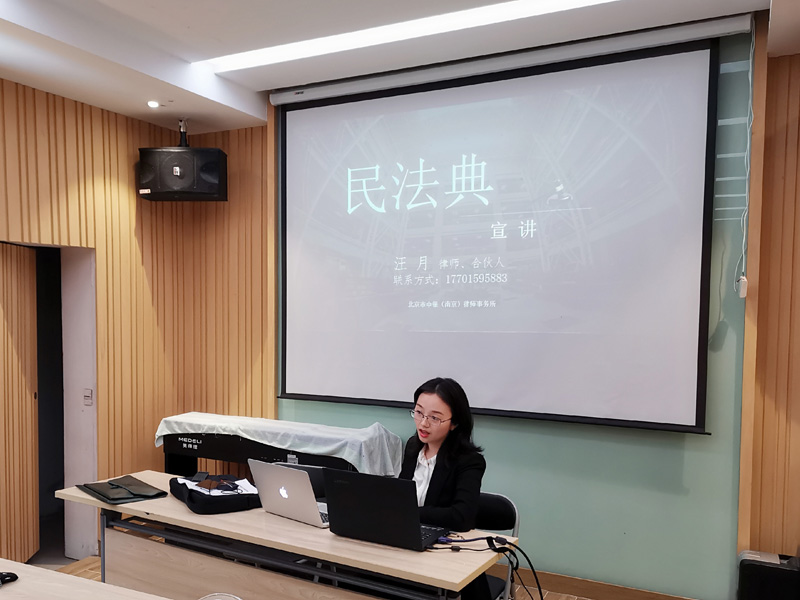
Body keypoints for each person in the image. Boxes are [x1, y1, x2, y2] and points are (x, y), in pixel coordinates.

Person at [399, 377, 491, 600]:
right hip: (411, 544)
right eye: (419, 413)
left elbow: (461, 517)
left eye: (434, 418)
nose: (423, 424)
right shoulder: (413, 447)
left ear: (454, 423)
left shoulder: (469, 461)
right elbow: (401, 496)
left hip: (448, 555)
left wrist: (411, 514)